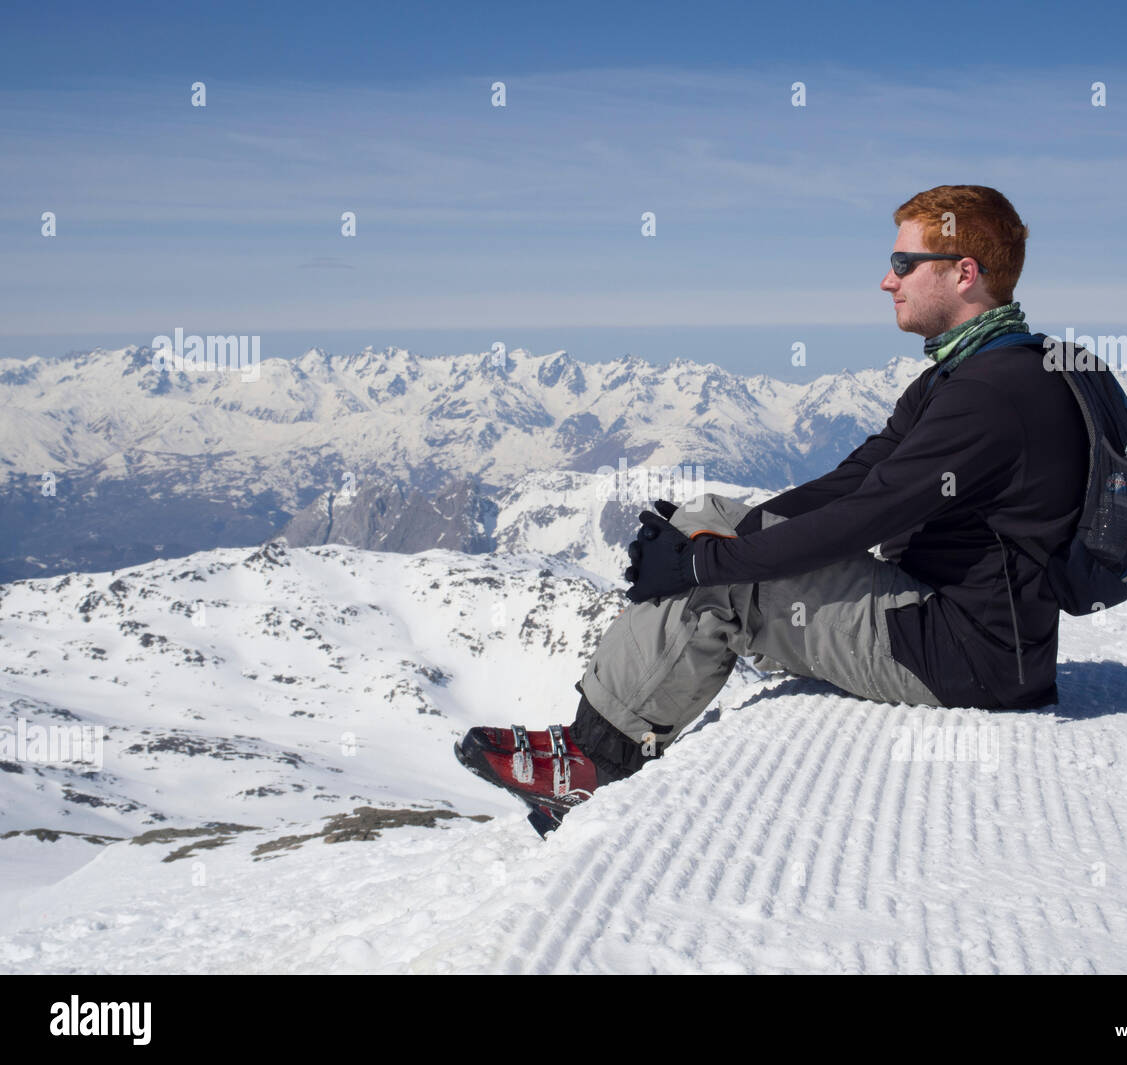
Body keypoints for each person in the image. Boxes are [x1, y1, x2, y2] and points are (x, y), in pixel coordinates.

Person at [455, 185, 1088, 823]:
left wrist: (706, 567)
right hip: (950, 624)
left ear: (963, 272)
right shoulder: (964, 375)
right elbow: (857, 477)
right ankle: (594, 738)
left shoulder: (991, 395)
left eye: (903, 265)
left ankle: (597, 762)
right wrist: (726, 534)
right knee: (706, 521)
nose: (885, 282)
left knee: (721, 588)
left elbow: (867, 517)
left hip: (962, 656)